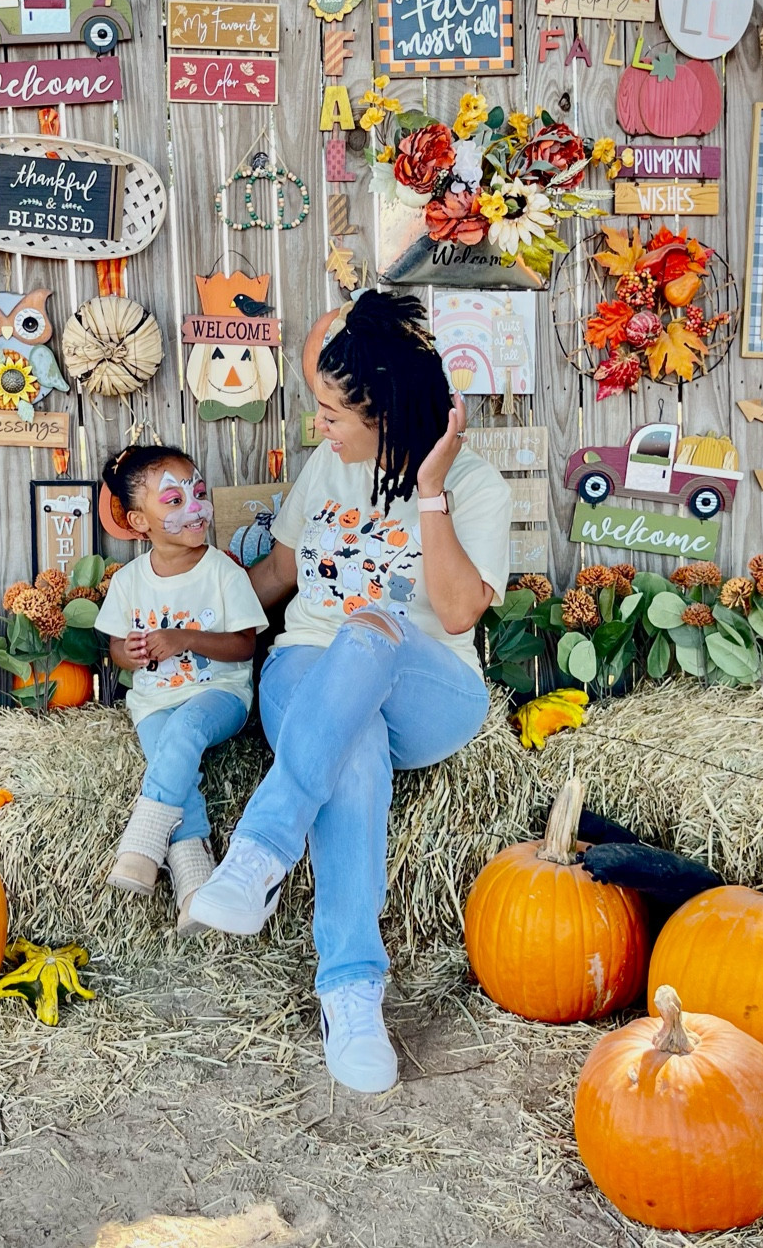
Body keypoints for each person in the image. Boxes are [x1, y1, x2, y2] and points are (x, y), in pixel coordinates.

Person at [189, 290, 512, 1093]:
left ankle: (262, 847)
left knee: (372, 628)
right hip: (308, 668)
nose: (320, 426)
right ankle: (352, 990)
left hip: (427, 688)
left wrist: (429, 488)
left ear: (386, 411)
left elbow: (458, 611)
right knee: (353, 745)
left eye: (334, 413)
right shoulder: (328, 466)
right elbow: (281, 573)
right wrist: (192, 625)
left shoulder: (473, 487)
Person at [96, 445, 268, 934]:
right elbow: (115, 651)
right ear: (138, 520)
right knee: (171, 755)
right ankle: (195, 885)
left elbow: (243, 646)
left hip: (219, 694)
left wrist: (185, 639)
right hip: (153, 702)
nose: (193, 507)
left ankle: (143, 841)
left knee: (187, 730)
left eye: (196, 492)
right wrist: (128, 653)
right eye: (173, 501)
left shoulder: (222, 572)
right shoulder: (129, 582)